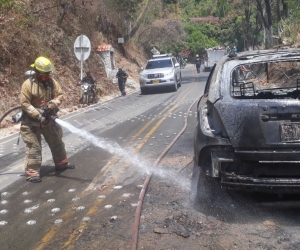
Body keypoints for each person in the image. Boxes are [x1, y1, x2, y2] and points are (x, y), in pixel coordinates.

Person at [20, 56, 74, 183]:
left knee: (57, 141)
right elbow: (25, 104)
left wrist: (51, 104)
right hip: (31, 122)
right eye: (44, 75)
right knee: (34, 147)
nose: (47, 77)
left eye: (48, 74)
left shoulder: (52, 83)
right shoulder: (28, 85)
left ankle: (62, 164)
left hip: (48, 120)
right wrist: (38, 115)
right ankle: (32, 173)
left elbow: (60, 95)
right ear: (37, 74)